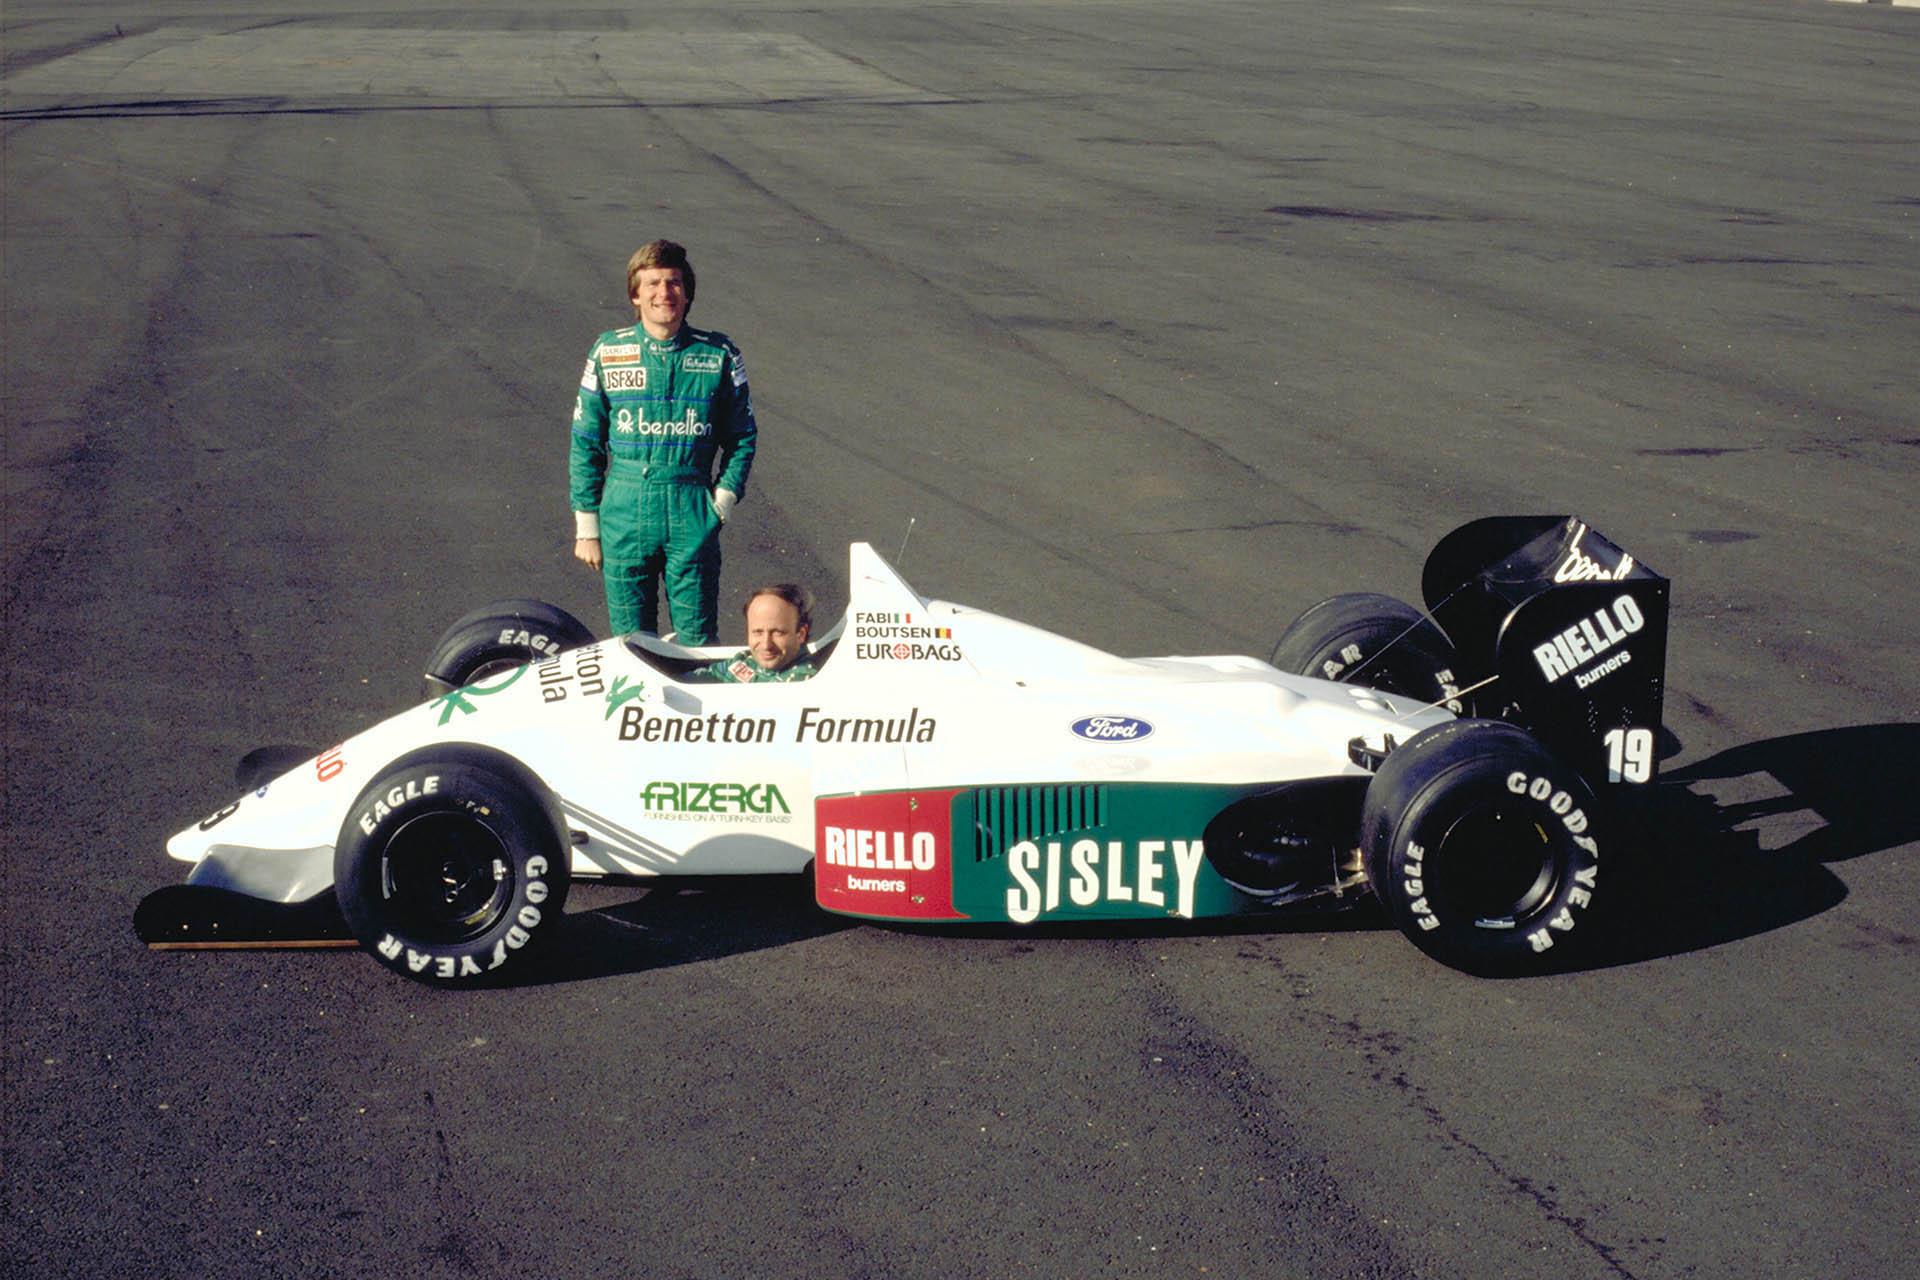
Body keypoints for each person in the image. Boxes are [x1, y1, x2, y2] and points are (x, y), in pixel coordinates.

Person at [569, 239, 756, 644]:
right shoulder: (608, 350)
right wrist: (587, 526)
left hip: (691, 506)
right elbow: (586, 441)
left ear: (687, 293)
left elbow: (742, 437)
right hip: (623, 508)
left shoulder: (719, 353)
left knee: (698, 640)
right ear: (635, 295)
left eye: (673, 283)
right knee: (630, 644)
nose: (663, 293)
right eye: (652, 283)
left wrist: (721, 503)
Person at [690, 584, 818, 683]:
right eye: (758, 632)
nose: (766, 645)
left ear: (800, 634)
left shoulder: (802, 680)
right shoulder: (744, 660)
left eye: (778, 633)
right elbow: (706, 676)